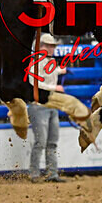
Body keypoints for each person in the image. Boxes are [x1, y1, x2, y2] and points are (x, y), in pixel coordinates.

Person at [26, 33, 66, 183]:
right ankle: (35, 173)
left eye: (52, 46)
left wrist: (60, 71)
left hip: (49, 104)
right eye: (50, 46)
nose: (52, 49)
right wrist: (54, 87)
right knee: (42, 142)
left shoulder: (49, 61)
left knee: (51, 141)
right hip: (39, 105)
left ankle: (51, 173)